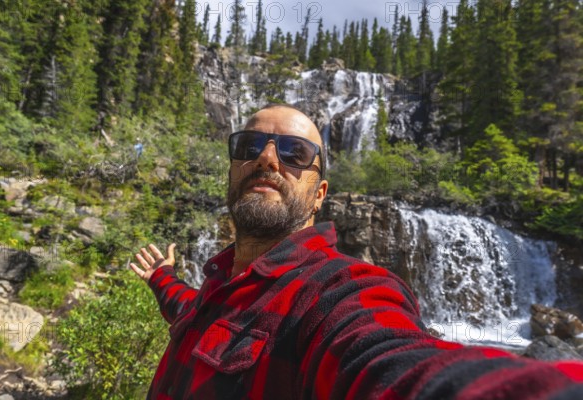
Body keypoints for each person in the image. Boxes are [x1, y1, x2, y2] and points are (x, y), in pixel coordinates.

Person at [130, 104, 583, 399]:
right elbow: (194, 311)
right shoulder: (219, 286)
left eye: (294, 153)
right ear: (232, 170)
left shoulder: (337, 292)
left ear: (320, 192)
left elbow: (389, 360)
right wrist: (161, 278)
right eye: (250, 146)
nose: (268, 158)